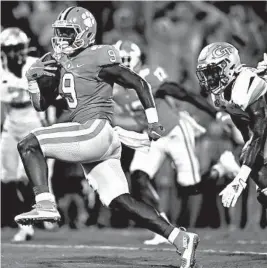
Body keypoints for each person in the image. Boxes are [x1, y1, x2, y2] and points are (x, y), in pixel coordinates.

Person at [14, 7, 199, 268]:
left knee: (28, 143)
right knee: (119, 200)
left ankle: (44, 203)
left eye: (68, 33)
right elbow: (41, 105)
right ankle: (180, 238)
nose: (62, 39)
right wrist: (33, 81)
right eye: (60, 33)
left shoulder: (98, 55)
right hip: (98, 138)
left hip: (95, 131)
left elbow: (139, 82)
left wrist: (153, 121)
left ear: (85, 34)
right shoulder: (58, 61)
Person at [113, 40, 216, 245]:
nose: (121, 65)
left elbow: (182, 93)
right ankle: (164, 226)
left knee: (190, 187)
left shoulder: (149, 76)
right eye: (118, 61)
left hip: (175, 131)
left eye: (125, 60)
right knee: (139, 177)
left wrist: (215, 112)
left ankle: (220, 170)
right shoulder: (115, 88)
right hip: (153, 137)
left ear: (136, 60)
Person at [196, 42, 267, 209]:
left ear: (229, 66)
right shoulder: (222, 95)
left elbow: (259, 132)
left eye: (213, 72)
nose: (209, 78)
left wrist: (240, 180)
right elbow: (247, 133)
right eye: (207, 73)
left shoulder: (246, 85)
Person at [0, 27, 47, 242]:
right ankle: (26, 215)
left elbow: (48, 96)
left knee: (22, 177)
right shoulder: (0, 70)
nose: (13, 54)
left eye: (17, 48)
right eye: (8, 49)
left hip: (32, 121)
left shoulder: (34, 65)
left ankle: (27, 225)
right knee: (7, 178)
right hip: (11, 124)